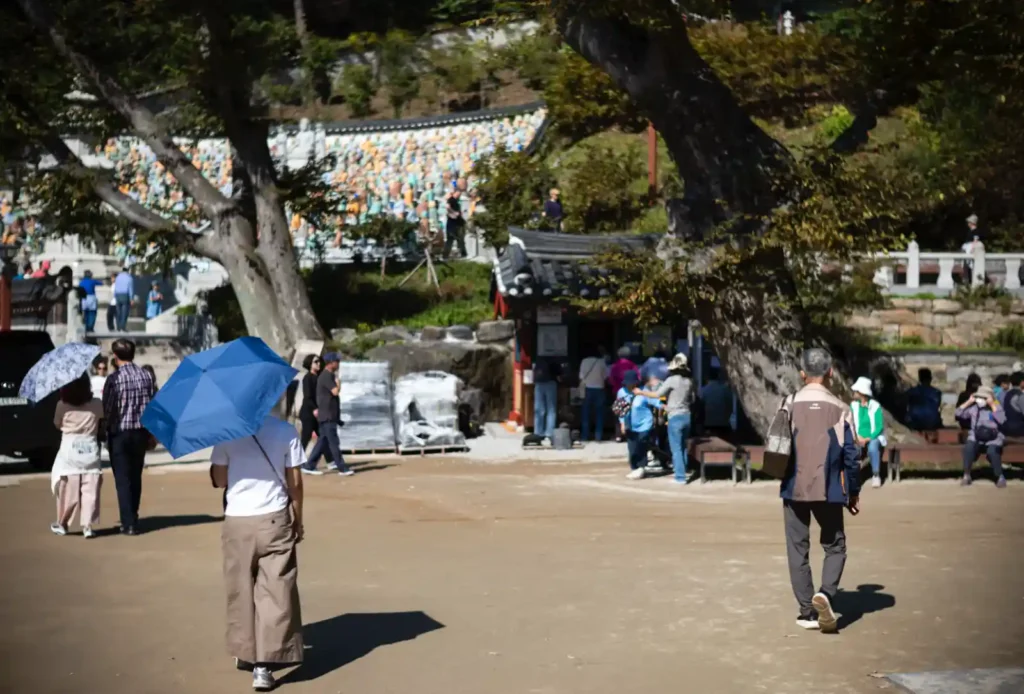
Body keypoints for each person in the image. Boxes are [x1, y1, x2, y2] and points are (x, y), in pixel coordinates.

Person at [210, 414, 305, 692]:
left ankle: (246, 652)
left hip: (237, 519)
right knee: (275, 591)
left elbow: (219, 479)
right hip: (274, 518)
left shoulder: (225, 431)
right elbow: (295, 483)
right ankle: (264, 666)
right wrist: (298, 519)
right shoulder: (285, 431)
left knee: (240, 589)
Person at [781, 348, 859, 634]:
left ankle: (806, 611)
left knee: (797, 548)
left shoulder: (788, 403)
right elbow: (851, 455)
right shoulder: (841, 408)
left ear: (802, 373)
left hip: (793, 485)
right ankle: (825, 593)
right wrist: (853, 492)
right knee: (835, 545)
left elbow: (777, 444)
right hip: (829, 488)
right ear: (830, 372)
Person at [102, 338, 155, 535]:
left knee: (123, 479)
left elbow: (107, 409)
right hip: (140, 432)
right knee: (135, 475)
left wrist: (105, 431)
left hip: (120, 433)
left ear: (115, 357)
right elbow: (151, 405)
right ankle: (133, 514)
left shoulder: (114, 379)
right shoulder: (146, 376)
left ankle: (128, 522)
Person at [49, 374, 104, 539]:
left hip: (70, 450)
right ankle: (87, 526)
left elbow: (57, 424)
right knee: (91, 489)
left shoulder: (62, 405)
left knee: (68, 490)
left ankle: (63, 523)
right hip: (90, 449)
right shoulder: (96, 404)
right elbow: (102, 419)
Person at [308, 352, 353, 476]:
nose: (338, 364)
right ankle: (343, 468)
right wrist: (338, 382)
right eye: (337, 361)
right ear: (331, 363)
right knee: (334, 443)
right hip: (327, 416)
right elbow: (335, 392)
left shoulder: (327, 375)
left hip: (328, 415)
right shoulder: (327, 376)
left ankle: (309, 465)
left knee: (323, 442)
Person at [652, 354, 695, 484]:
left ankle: (680, 476)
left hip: (674, 416)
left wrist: (655, 386)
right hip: (687, 415)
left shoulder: (671, 380)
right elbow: (692, 399)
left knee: (675, 448)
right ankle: (682, 470)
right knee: (683, 446)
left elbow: (658, 394)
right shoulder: (689, 381)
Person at [956, 385, 1007, 488]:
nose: (980, 400)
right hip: (976, 437)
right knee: (968, 448)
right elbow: (958, 413)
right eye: (979, 397)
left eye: (983, 398)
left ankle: (999, 476)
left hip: (993, 438)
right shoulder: (974, 409)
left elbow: (1002, 420)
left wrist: (992, 404)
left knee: (992, 452)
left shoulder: (996, 407)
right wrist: (969, 402)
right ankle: (966, 475)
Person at [619, 370, 664, 480]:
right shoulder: (621, 392)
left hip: (644, 424)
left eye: (631, 383)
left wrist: (661, 415)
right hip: (630, 424)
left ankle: (641, 468)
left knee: (641, 446)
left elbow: (659, 403)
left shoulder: (644, 392)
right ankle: (635, 468)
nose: (629, 385)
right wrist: (622, 423)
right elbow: (620, 410)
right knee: (632, 448)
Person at [298, 354, 332, 474]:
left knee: (324, 436)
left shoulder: (319, 377)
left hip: (318, 412)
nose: (318, 363)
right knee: (306, 438)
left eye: (319, 361)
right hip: (308, 413)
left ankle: (330, 461)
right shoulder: (307, 378)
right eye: (315, 361)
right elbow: (308, 396)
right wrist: (314, 409)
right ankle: (300, 463)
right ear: (310, 364)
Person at [850, 376, 886, 489]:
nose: (854, 393)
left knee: (873, 447)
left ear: (861, 393)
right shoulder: (853, 406)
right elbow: (851, 423)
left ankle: (876, 474)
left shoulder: (875, 406)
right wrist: (856, 437)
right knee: (852, 448)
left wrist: (868, 438)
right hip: (858, 436)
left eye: (856, 391)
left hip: (873, 436)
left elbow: (879, 426)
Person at [577, 346, 608, 442]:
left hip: (587, 389)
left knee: (585, 413)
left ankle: (585, 436)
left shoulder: (584, 361)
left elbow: (581, 376)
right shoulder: (601, 362)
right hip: (599, 389)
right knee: (599, 413)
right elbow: (606, 376)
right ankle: (598, 436)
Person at [532, 357, 561, 440]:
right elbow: (559, 374)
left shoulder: (538, 359)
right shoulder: (555, 359)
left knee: (539, 410)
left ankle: (538, 432)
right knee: (551, 410)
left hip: (539, 384)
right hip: (551, 383)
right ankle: (549, 433)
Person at [701, 367, 735, 437]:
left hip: (708, 424)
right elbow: (730, 406)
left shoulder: (703, 390)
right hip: (723, 424)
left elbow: (700, 407)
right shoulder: (725, 390)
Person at [443, 189, 467, 259]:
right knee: (450, 239)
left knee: (460, 239)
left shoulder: (456, 201)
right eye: (458, 194)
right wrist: (454, 213)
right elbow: (447, 207)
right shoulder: (451, 199)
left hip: (458, 223)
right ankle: (445, 255)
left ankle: (463, 254)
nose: (459, 195)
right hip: (452, 223)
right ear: (455, 193)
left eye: (460, 194)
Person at [1000, 372, 1024, 437]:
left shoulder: (1007, 394)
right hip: (1019, 428)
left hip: (1006, 427)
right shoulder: (1020, 396)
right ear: (1022, 382)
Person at [113, 267, 134, 331]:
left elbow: (115, 287)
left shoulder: (118, 277)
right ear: (128, 271)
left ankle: (118, 327)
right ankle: (123, 326)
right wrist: (131, 299)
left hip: (118, 295)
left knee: (118, 312)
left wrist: (115, 295)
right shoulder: (129, 278)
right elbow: (131, 289)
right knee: (125, 312)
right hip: (125, 295)